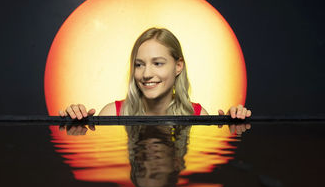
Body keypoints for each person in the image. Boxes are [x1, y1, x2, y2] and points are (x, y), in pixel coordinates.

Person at [59, 27, 252, 119]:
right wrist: (75, 124)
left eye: (158, 63)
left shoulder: (199, 115)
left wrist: (234, 124)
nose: (146, 74)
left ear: (178, 66)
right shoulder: (111, 113)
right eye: (139, 64)